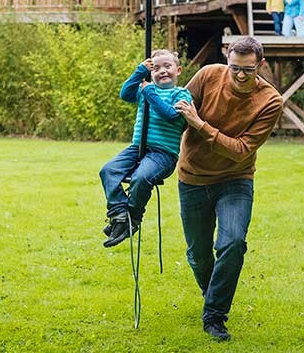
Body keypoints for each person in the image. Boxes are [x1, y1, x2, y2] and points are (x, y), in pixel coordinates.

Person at [174, 36, 283, 341]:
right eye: (234, 67)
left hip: (236, 179)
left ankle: (214, 316)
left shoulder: (270, 100)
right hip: (192, 177)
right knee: (198, 255)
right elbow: (176, 116)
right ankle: (214, 296)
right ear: (227, 60)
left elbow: (240, 150)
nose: (238, 75)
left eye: (247, 70)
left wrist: (201, 125)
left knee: (233, 243)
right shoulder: (208, 76)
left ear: (260, 66)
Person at [99, 49, 193, 248]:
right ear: (151, 73)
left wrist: (149, 91)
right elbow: (125, 94)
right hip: (137, 148)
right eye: (156, 68)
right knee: (108, 170)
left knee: (141, 178)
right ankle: (119, 214)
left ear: (178, 70)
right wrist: (139, 71)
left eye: (167, 66)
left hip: (163, 154)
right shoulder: (144, 89)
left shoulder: (182, 94)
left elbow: (170, 114)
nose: (162, 71)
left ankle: (133, 218)